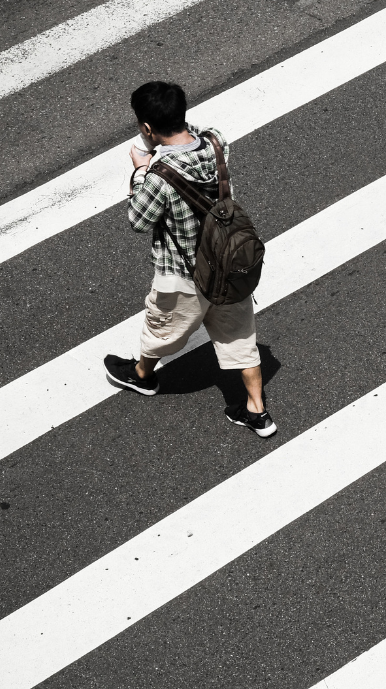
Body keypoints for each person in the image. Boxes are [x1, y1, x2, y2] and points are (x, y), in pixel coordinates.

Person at [103, 81, 276, 437]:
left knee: (162, 329)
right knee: (240, 338)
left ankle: (142, 375)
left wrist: (139, 170)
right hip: (229, 265)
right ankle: (257, 412)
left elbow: (138, 220)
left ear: (147, 129)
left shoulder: (158, 177)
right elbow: (196, 135)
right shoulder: (216, 142)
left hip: (184, 274)